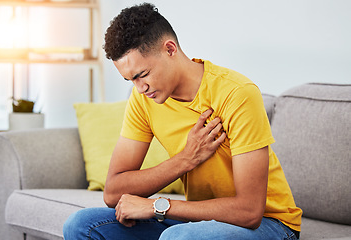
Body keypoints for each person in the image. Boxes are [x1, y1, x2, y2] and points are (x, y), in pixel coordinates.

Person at [63, 3, 302, 239]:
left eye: (142, 75)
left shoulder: (236, 94)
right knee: (80, 225)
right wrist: (185, 159)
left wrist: (158, 205)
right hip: (199, 220)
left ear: (170, 49)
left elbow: (250, 212)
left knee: (179, 238)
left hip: (272, 225)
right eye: (130, 80)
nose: (140, 88)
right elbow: (113, 192)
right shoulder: (143, 99)